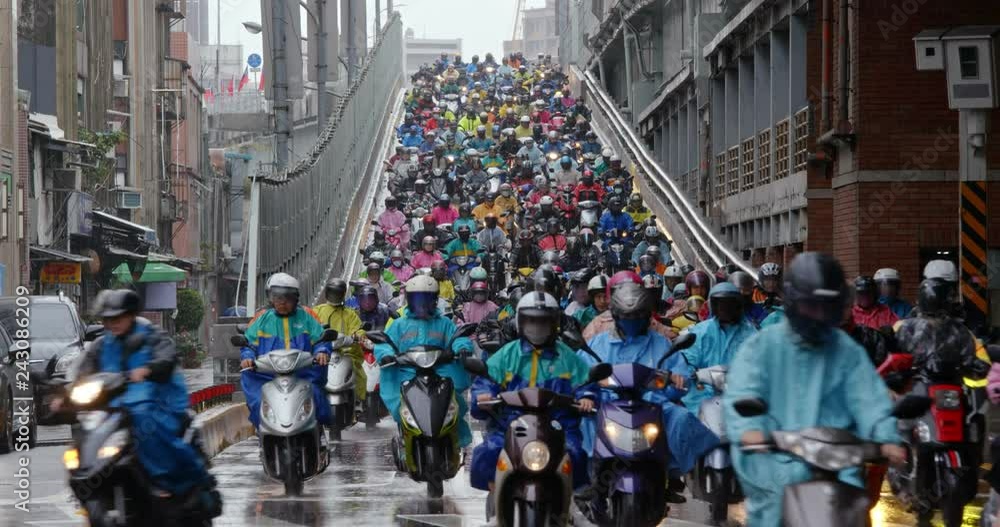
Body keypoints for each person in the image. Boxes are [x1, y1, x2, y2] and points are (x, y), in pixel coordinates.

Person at [724, 252, 905, 527]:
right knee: (770, 513)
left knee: (858, 512)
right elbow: (741, 392)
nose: (818, 314)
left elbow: (870, 397)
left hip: (838, 463)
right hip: (776, 461)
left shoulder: (847, 351)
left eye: (825, 306)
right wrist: (750, 430)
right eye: (812, 305)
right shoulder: (762, 346)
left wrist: (887, 436)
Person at [68, 289, 216, 503]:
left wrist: (147, 370)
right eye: (108, 319)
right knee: (86, 428)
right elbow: (84, 369)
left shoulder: (151, 335)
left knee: (146, 423)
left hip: (158, 400)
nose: (113, 324)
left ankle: (162, 479)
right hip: (115, 406)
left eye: (117, 318)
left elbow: (167, 357)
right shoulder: (101, 344)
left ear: (130, 315)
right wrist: (65, 392)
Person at [580, 282, 719, 505]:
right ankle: (593, 479)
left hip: (652, 406)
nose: (633, 322)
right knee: (583, 421)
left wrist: (676, 381)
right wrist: (586, 394)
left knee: (681, 418)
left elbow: (679, 379)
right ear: (616, 316)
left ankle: (671, 473)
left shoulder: (661, 343)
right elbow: (582, 374)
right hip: (609, 406)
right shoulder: (599, 344)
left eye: (638, 317)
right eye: (628, 317)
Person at [470, 292, 597, 492]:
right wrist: (483, 396)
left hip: (559, 426)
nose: (537, 327)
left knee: (575, 454)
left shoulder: (566, 356)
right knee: (490, 451)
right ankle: (495, 496)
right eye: (532, 321)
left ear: (554, 323)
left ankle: (568, 499)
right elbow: (486, 379)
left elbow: (584, 382)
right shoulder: (507, 353)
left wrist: (586, 398)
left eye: (543, 322)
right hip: (511, 424)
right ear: (521, 322)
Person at [374, 275, 475, 448]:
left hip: (440, 371)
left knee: (454, 402)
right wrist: (386, 354)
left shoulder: (444, 323)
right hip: (407, 373)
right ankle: (405, 434)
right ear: (410, 300)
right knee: (399, 401)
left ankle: (456, 441)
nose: (422, 304)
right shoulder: (399, 324)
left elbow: (457, 338)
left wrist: (462, 347)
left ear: (435, 300)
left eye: (427, 299)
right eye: (417, 299)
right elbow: (386, 343)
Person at [240, 273, 332, 430]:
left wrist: (322, 351)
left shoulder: (307, 317)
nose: (282, 302)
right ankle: (262, 433)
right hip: (267, 376)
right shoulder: (261, 319)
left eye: (287, 298)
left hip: (303, 374)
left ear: (295, 299)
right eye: (277, 297)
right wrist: (247, 357)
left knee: (318, 398)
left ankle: (319, 434)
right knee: (257, 402)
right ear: (271, 298)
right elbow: (249, 344)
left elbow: (320, 339)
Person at [679, 283, 757, 413]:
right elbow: (685, 361)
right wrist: (693, 374)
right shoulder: (701, 331)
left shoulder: (752, 334)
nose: (724, 308)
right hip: (701, 399)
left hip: (740, 398)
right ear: (713, 306)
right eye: (720, 303)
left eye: (729, 303)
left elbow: (760, 366)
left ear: (738, 305)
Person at [582, 271, 676, 341]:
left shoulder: (650, 322)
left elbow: (671, 337)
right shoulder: (598, 325)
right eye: (621, 293)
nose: (627, 298)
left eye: (633, 292)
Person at [314, 279, 367, 401]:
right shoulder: (317, 311)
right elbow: (310, 328)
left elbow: (358, 329)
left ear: (343, 295)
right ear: (327, 293)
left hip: (346, 353)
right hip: (322, 354)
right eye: (333, 293)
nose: (335, 296)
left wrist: (358, 335)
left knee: (359, 374)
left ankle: (358, 402)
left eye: (338, 293)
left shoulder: (350, 314)